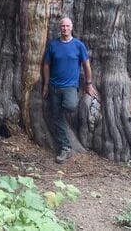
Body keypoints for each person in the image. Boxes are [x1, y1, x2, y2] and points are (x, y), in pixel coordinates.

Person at [42, 17, 98, 163]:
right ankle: (65, 147)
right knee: (56, 117)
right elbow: (46, 65)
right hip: (54, 86)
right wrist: (46, 84)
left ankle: (69, 122)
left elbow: (86, 65)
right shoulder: (53, 45)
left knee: (71, 105)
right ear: (60, 28)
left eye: (67, 26)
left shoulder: (78, 45)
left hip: (70, 87)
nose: (65, 28)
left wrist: (89, 84)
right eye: (62, 26)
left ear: (71, 27)